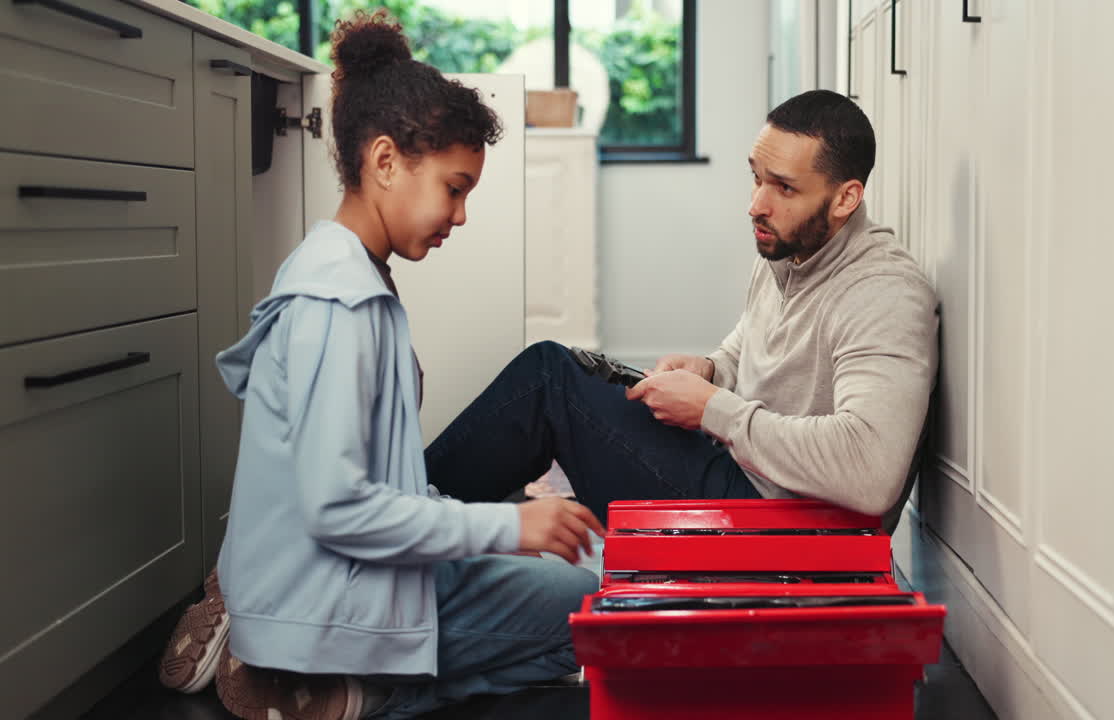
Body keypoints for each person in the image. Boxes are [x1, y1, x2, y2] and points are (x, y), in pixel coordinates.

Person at [156, 10, 603, 720]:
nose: (461, 215)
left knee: (567, 580)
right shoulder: (339, 305)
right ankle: (336, 685)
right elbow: (338, 506)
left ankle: (288, 635)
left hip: (350, 569)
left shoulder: (342, 268)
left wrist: (494, 530)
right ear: (386, 162)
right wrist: (507, 529)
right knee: (593, 612)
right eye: (455, 188)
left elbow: (379, 483)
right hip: (332, 596)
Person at [426, 89, 939, 534]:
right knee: (566, 371)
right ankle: (422, 519)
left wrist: (714, 409)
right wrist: (710, 370)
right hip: (749, 476)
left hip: (787, 523)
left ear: (846, 198)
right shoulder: (791, 248)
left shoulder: (883, 292)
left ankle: (411, 524)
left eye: (783, 187)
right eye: (756, 178)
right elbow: (747, 348)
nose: (756, 205)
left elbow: (870, 472)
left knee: (550, 380)